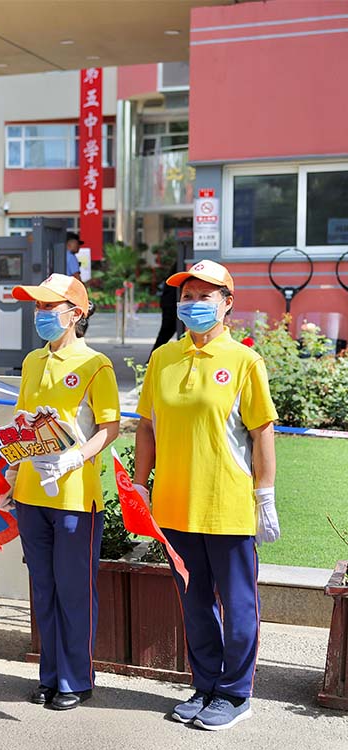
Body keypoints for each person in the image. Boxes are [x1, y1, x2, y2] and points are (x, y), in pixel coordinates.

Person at [133, 259, 278, 731]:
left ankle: (236, 694)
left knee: (237, 605)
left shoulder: (243, 362)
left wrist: (266, 495)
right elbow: (148, 427)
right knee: (195, 604)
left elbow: (262, 434)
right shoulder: (163, 359)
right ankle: (206, 685)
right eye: (187, 296)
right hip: (175, 505)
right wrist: (140, 482)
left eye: (204, 296)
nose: (193, 304)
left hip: (228, 506)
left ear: (227, 304)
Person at [0, 273, 120, 710]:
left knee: (73, 591)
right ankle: (48, 675)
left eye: (51, 307)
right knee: (44, 589)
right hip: (32, 494)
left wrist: (76, 458)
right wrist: (12, 474)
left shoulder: (95, 365)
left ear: (76, 312)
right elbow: (22, 426)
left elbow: (110, 427)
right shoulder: (33, 361)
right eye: (38, 307)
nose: (42, 315)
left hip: (74, 497)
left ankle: (75, 679)